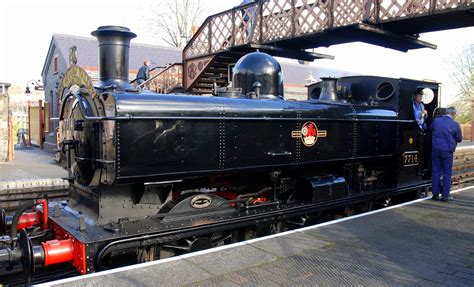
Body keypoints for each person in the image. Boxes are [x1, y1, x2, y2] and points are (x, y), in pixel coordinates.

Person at [430, 107, 462, 202]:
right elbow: (459, 139)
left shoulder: (436, 121)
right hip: (447, 151)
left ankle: (435, 194)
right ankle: (445, 196)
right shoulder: (455, 124)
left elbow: (431, 129)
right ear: (454, 114)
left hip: (436, 150)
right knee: (447, 173)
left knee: (436, 172)